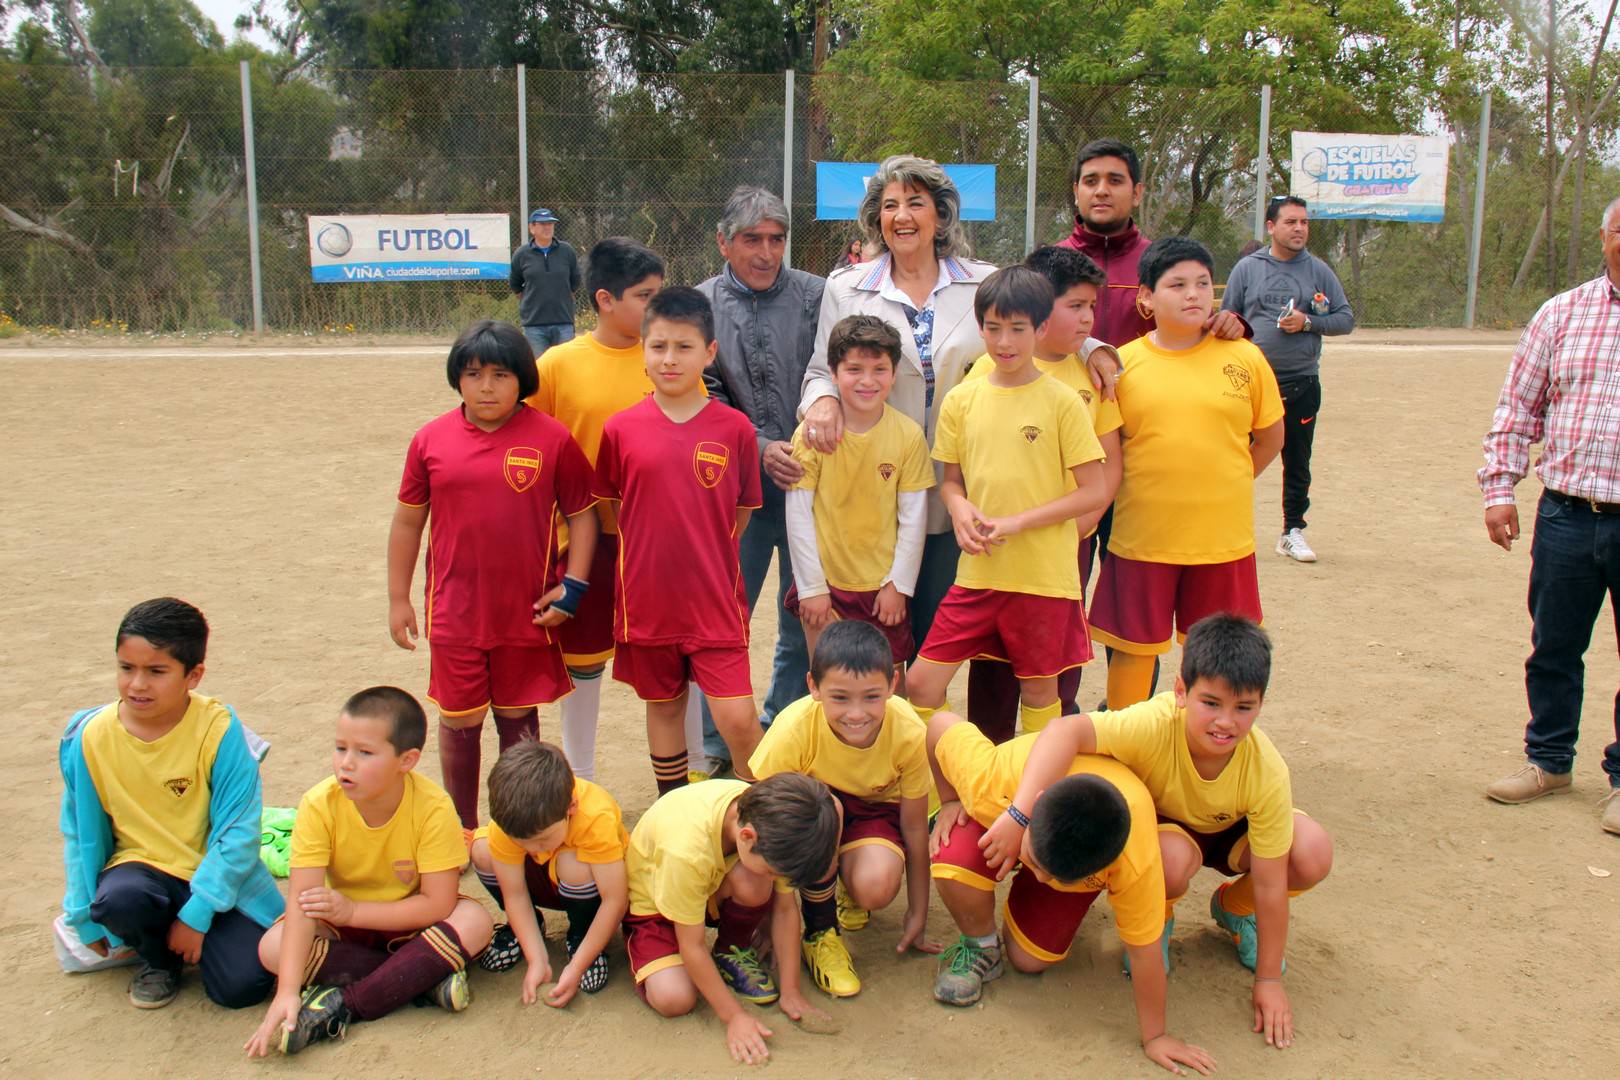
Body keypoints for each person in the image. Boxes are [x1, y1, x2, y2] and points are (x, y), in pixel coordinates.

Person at [986, 614, 1334, 1050]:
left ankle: (1233, 909)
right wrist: (1020, 815)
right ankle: (1160, 913)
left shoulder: (1266, 771)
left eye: (1243, 708)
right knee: (1028, 957)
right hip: (1162, 833)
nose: (1225, 722)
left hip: (1228, 830)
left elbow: (1270, 882)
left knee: (1312, 851)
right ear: (1181, 692)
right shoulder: (1154, 723)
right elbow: (1063, 729)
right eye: (1211, 703)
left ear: (1261, 704)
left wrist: (1268, 981)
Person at [388, 319, 600, 830]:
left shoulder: (551, 438)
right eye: (474, 373)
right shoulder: (430, 440)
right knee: (459, 719)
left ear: (522, 380)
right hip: (455, 613)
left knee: (516, 718)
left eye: (501, 375)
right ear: (457, 378)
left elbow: (583, 516)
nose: (487, 386)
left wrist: (572, 587)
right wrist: (399, 598)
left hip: (526, 613)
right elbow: (408, 521)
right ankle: (460, 827)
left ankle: (516, 824)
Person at [924, 710, 1214, 1076]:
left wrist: (1156, 1036)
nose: (1042, 878)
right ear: (1034, 805)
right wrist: (949, 800)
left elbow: (1145, 951)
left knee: (1029, 960)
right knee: (954, 853)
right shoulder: (991, 778)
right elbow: (939, 726)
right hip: (1004, 816)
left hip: (1067, 834)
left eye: (1054, 878)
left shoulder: (1135, 859)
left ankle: (1050, 881)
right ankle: (979, 945)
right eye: (1035, 864)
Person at [796, 156, 1000, 655]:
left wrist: (1091, 349)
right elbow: (822, 369)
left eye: (915, 202)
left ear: (941, 214)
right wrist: (821, 402)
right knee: (878, 640)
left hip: (966, 483)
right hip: (878, 483)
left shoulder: (984, 282)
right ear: (876, 219)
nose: (902, 215)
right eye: (890, 206)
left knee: (941, 636)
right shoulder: (846, 286)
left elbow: (1038, 330)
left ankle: (933, 732)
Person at [905, 265, 1109, 737]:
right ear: (980, 328)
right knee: (920, 683)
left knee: (1040, 694)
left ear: (1040, 329)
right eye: (993, 328)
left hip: (1043, 577)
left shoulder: (1062, 401)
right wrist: (959, 510)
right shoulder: (962, 399)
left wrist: (1018, 523)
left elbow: (1094, 490)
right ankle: (940, 797)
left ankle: (1036, 797)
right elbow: (951, 482)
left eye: (1017, 329)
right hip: (978, 575)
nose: (1004, 342)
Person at [245, 687, 494, 1057]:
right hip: (345, 931)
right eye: (340, 748)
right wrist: (286, 991)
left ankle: (347, 1004)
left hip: (413, 926)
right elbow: (302, 903)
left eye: (364, 752)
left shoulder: (433, 807)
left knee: (476, 921)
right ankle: (421, 979)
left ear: (406, 760)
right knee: (272, 948)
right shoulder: (318, 805)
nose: (346, 763)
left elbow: (438, 905)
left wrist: (354, 911)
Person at [1089, 237, 1284, 710]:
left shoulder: (1245, 358)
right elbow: (1107, 456)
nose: (1193, 294)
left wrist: (1227, 482)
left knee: (1219, 655)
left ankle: (1207, 746)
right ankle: (1126, 747)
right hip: (1143, 539)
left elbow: (1271, 439)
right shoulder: (1123, 367)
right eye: (1176, 284)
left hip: (1222, 540)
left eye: (1201, 283)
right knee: (1134, 653)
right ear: (1146, 298)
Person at [59, 597, 278, 1010]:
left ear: (193, 675)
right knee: (119, 900)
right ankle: (158, 960)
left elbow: (239, 836)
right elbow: (76, 830)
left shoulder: (221, 732)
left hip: (215, 878)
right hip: (140, 875)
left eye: (156, 672)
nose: (137, 685)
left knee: (242, 987)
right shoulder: (87, 737)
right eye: (127, 668)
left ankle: (188, 933)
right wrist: (81, 913)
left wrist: (197, 915)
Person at [1481, 195, 1620, 835]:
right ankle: (1549, 760)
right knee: (1555, 645)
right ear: (1603, 236)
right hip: (1566, 515)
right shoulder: (1561, 314)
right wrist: (1500, 490)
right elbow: (1517, 410)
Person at [595, 286, 765, 792]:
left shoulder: (734, 429)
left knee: (737, 718)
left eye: (684, 347)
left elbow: (741, 512)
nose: (670, 359)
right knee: (664, 706)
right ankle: (672, 809)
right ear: (643, 351)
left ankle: (766, 818)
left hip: (714, 602)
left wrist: (701, 549)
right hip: (648, 604)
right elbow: (613, 510)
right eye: (659, 346)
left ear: (709, 353)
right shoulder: (620, 429)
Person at [963, 246, 1124, 740]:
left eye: (1091, 308)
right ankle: (986, 762)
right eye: (1075, 305)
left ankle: (1046, 771)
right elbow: (971, 465)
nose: (1087, 318)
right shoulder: (989, 373)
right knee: (992, 666)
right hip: (998, 550)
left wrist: (1072, 528)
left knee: (1055, 669)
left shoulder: (1091, 377)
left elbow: (1109, 465)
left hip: (1062, 551)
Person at [696, 186, 826, 776]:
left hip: (810, 490)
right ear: (723, 242)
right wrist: (754, 444)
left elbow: (835, 369)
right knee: (725, 621)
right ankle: (720, 746)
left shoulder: (818, 296)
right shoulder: (698, 308)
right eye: (752, 239)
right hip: (729, 496)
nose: (767, 251)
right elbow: (699, 394)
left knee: (806, 615)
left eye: (777, 239)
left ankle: (786, 729)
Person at [526, 237, 666, 782]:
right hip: (585, 541)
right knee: (583, 661)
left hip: (655, 540)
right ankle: (579, 777)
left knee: (672, 657)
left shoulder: (667, 354)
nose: (655, 309)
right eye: (645, 296)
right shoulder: (559, 364)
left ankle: (695, 769)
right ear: (605, 299)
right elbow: (530, 446)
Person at [748, 621, 938, 998]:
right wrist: (771, 917)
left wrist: (918, 911)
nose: (856, 713)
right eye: (840, 698)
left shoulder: (910, 732)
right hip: (814, 810)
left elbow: (915, 827)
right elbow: (764, 820)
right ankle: (821, 931)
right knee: (824, 809)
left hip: (874, 811)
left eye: (871, 697)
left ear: (892, 685)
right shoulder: (792, 729)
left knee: (876, 886)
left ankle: (846, 879)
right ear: (813, 687)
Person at [621, 773, 842, 1065]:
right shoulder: (687, 850)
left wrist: (791, 990)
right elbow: (693, 946)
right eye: (774, 871)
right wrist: (734, 1017)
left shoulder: (770, 820)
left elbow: (786, 909)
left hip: (705, 887)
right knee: (674, 999)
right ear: (747, 836)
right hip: (655, 905)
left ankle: (729, 952)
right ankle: (654, 953)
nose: (778, 881)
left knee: (755, 881)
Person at [785, 314, 933, 664]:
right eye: (854, 370)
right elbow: (798, 514)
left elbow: (914, 519)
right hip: (826, 587)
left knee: (890, 685)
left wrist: (898, 585)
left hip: (883, 589)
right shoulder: (812, 435)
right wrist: (811, 587)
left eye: (879, 369)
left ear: (894, 375)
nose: (867, 381)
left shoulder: (909, 436)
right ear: (833, 374)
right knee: (829, 681)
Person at [1222, 195, 1355, 563]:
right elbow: (1227, 317)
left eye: (1304, 222)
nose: (1299, 229)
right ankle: (1220, 520)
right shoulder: (1248, 269)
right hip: (1246, 383)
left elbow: (1345, 319)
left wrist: (1308, 322)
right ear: (1271, 226)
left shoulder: (1319, 271)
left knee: (1297, 459)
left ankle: (1292, 530)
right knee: (1232, 457)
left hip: (1301, 382)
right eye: (1291, 222)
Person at [469, 739, 629, 1002]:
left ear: (571, 807)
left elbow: (615, 900)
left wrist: (576, 967)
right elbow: (515, 894)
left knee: (574, 865)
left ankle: (583, 938)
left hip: (587, 888)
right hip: (544, 882)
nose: (532, 849)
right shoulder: (509, 823)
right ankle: (527, 931)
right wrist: (537, 960)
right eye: (521, 842)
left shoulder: (594, 818)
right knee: (482, 850)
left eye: (542, 840)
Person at [510, 208, 582, 357]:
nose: (547, 227)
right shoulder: (521, 254)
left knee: (565, 367)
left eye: (550, 224)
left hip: (563, 322)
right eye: (542, 224)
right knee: (539, 371)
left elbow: (575, 281)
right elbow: (515, 284)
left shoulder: (566, 251)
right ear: (532, 228)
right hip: (534, 325)